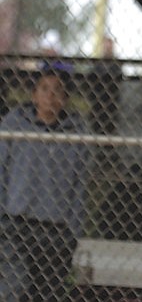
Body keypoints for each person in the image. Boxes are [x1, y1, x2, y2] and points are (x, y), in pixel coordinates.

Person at [0, 62, 88, 301]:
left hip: (56, 228)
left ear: (66, 98)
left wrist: (74, 229)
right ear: (34, 95)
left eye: (58, 90)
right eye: (45, 89)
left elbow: (80, 183)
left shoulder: (76, 132)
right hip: (16, 223)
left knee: (49, 292)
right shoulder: (14, 124)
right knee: (16, 285)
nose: (51, 96)